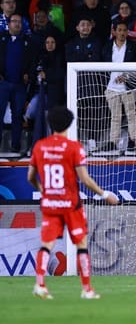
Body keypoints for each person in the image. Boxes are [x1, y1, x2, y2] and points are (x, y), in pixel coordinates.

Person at [29, 106, 119, 300]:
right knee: (81, 244)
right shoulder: (74, 147)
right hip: (71, 205)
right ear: (69, 124)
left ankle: (40, 284)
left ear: (50, 123)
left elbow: (31, 177)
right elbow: (85, 180)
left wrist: (42, 188)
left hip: (50, 204)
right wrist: (105, 195)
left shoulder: (39, 146)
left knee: (47, 245)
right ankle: (86, 289)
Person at [101, 21, 136, 152]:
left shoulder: (133, 46)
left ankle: (133, 141)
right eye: (120, 30)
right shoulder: (107, 47)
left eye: (124, 30)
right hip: (111, 87)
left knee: (131, 115)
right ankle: (113, 142)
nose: (122, 33)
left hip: (127, 87)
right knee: (115, 117)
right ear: (114, 32)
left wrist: (126, 76)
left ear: (127, 32)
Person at [0, 13, 35, 153]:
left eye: (19, 22)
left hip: (20, 85)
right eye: (14, 21)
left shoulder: (28, 41)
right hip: (3, 83)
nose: (17, 24)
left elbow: (32, 62)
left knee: (18, 115)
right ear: (8, 24)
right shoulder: (1, 39)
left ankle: (16, 145)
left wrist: (28, 74)